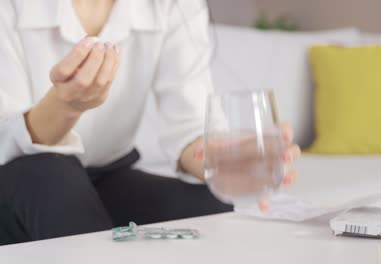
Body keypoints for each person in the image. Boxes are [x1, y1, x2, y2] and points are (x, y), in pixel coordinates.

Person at [0, 0, 301, 244]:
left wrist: (220, 158)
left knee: (210, 210)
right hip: (19, 177)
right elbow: (6, 138)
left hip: (106, 174)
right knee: (54, 180)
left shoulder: (174, 6)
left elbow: (191, 126)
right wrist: (65, 106)